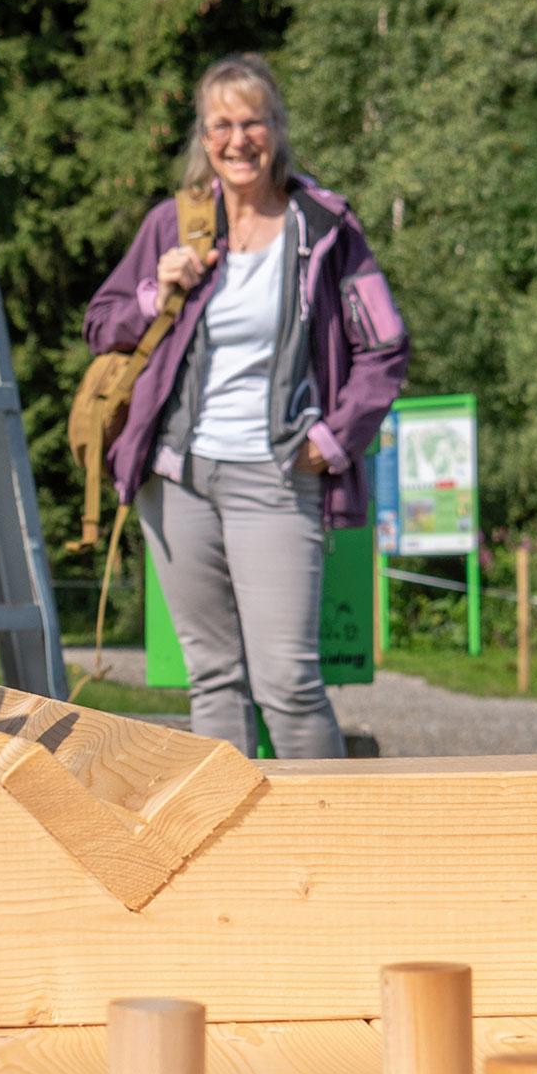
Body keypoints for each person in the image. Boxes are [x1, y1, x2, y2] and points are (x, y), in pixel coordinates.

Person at [82, 53, 407, 757]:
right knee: (213, 679)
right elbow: (101, 324)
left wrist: (333, 438)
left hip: (277, 475)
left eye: (251, 121)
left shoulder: (324, 228)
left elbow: (386, 346)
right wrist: (154, 293)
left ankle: (330, 854)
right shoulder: (174, 225)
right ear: (203, 138)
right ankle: (232, 855)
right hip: (177, 478)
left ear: (278, 128)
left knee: (287, 681)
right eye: (220, 124)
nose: (237, 139)